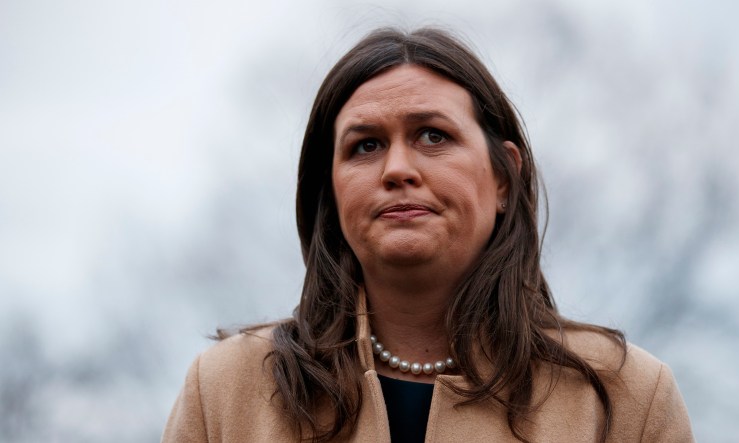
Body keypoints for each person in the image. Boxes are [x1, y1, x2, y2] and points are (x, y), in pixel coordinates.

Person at [162, 27, 693, 442]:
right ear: (331, 190)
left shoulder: (625, 398)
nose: (396, 168)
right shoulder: (225, 392)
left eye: (433, 136)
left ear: (505, 175)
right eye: (365, 145)